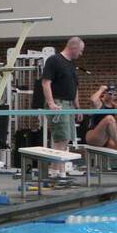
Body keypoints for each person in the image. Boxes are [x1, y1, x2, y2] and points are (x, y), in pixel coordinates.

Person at [40, 37, 85, 178]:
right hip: (58, 103)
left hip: (69, 104)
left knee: (66, 139)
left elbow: (74, 88)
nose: (81, 54)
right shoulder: (54, 60)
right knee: (61, 138)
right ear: (74, 48)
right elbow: (45, 83)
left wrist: (77, 108)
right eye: (81, 51)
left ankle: (59, 170)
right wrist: (51, 103)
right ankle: (55, 171)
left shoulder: (71, 65)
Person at [84, 84, 117, 155]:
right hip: (93, 137)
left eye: (115, 95)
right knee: (109, 118)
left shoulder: (115, 106)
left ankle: (107, 163)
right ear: (105, 93)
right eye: (110, 93)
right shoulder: (99, 103)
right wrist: (101, 90)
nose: (112, 96)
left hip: (105, 139)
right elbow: (93, 100)